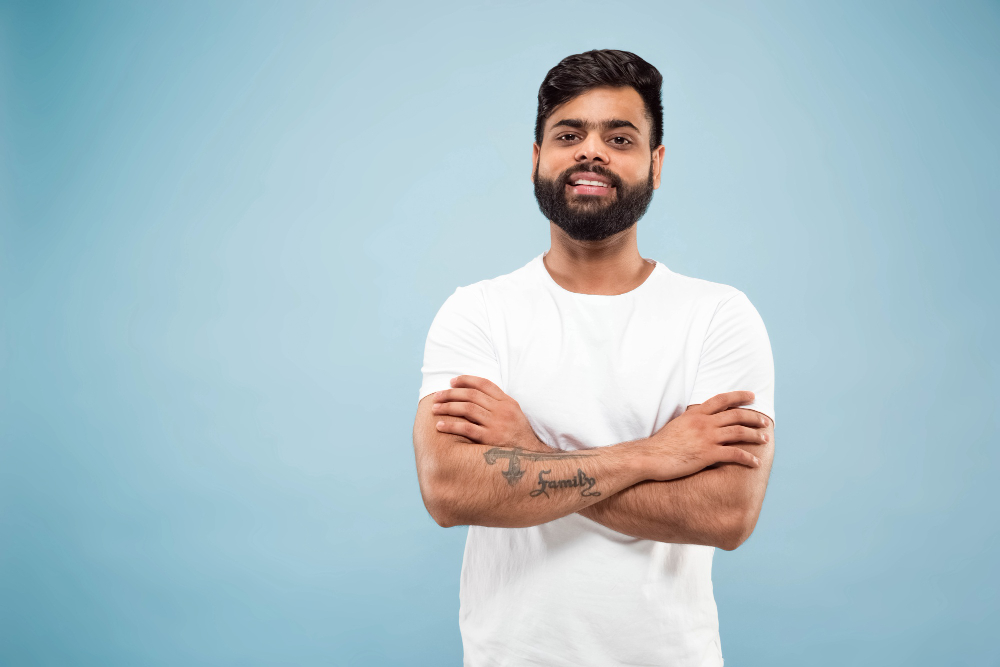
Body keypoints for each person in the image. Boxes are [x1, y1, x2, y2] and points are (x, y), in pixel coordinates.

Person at [412, 49, 775, 667]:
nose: (591, 152)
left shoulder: (718, 316)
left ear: (656, 165)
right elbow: (450, 490)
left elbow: (726, 513)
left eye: (620, 137)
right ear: (536, 159)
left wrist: (529, 456)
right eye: (569, 134)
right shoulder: (476, 313)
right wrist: (657, 456)